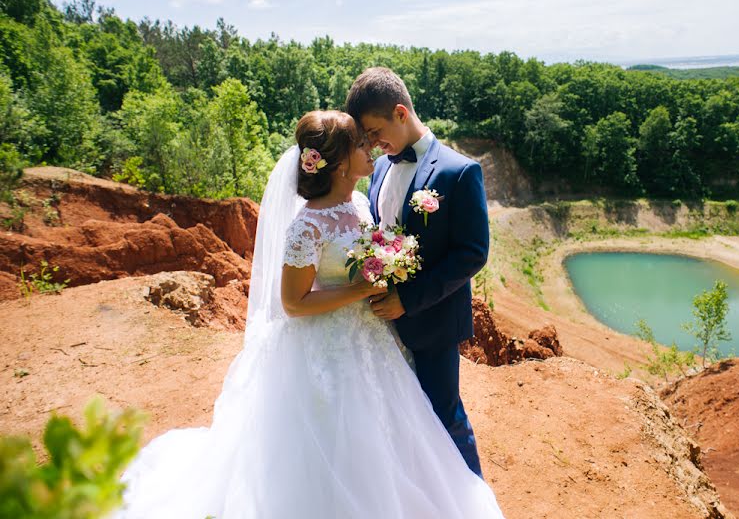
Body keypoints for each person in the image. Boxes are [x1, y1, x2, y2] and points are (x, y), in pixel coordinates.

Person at [114, 110, 504, 518]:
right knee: (334, 442)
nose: (368, 147)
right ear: (337, 165)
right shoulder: (308, 227)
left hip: (372, 340)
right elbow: (293, 303)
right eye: (358, 144)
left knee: (387, 435)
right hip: (326, 350)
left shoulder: (358, 201)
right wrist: (361, 287)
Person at [346, 67, 490, 477]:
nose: (372, 145)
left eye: (374, 132)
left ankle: (470, 500)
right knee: (399, 419)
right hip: (380, 327)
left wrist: (406, 300)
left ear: (399, 112)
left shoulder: (458, 172)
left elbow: (472, 253)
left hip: (433, 322)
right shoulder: (379, 170)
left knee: (444, 417)